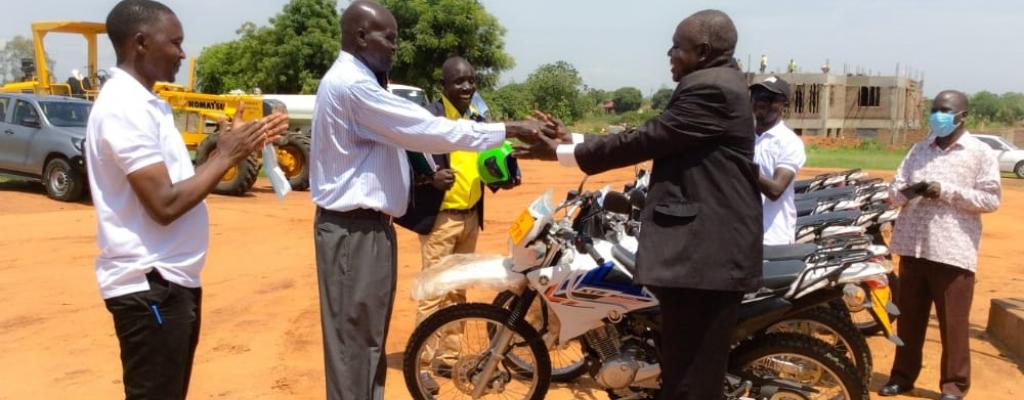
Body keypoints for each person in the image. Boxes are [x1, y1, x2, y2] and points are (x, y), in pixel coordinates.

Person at [515, 9, 762, 399]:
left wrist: (564, 152)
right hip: (705, 258)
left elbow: (649, 139)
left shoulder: (710, 87)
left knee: (691, 384)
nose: (669, 54)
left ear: (702, 51)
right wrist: (574, 140)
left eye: (676, 47)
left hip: (704, 259)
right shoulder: (720, 82)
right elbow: (659, 136)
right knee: (684, 374)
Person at [308, 2, 543, 399]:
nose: (395, 47)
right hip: (355, 231)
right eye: (389, 38)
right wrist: (512, 128)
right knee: (355, 342)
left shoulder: (363, 83)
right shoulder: (352, 86)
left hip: (369, 229)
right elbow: (427, 131)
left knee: (366, 341)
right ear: (361, 36)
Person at [84, 1, 288, 399]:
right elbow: (164, 204)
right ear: (141, 42)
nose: (181, 53)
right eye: (174, 43)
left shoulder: (147, 104)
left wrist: (233, 149)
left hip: (168, 282)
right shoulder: (124, 108)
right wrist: (225, 156)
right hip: (150, 284)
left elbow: (178, 183)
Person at [879, 90, 1000, 400]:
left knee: (953, 324)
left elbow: (990, 199)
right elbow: (894, 191)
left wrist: (945, 191)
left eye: (945, 111)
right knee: (909, 321)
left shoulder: (980, 153)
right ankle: (902, 377)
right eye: (934, 110)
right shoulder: (919, 149)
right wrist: (911, 190)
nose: (938, 116)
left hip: (952, 252)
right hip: (913, 248)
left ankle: (954, 386)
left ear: (963, 116)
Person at [397, 56, 513, 324]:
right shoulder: (428, 118)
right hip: (442, 221)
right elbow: (402, 156)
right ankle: (424, 350)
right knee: (433, 293)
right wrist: (429, 178)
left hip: (471, 218)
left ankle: (452, 351)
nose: (467, 87)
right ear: (444, 85)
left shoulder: (478, 119)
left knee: (458, 293)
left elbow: (487, 163)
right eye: (459, 81)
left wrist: (502, 177)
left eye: (471, 81)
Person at [751, 76, 806, 245]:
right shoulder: (743, 137)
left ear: (784, 104)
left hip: (773, 237)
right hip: (741, 234)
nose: (761, 102)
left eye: (769, 98)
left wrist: (742, 164)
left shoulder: (789, 141)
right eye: (757, 95)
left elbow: (775, 190)